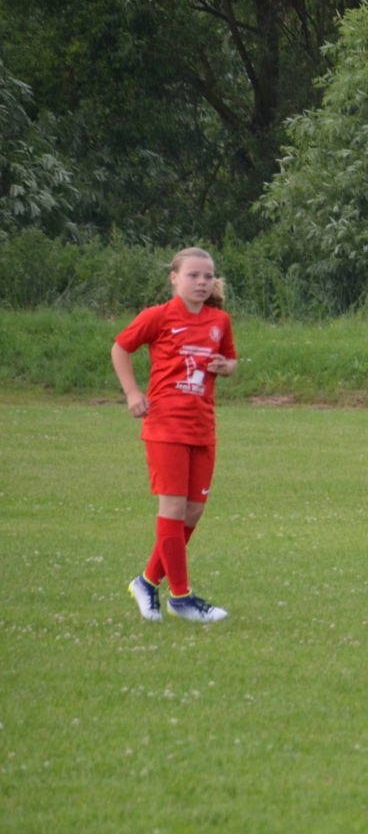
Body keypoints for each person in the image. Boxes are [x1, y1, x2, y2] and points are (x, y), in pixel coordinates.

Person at [112, 247, 236, 624]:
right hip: (166, 426)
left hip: (203, 427)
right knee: (173, 508)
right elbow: (121, 348)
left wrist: (225, 366)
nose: (202, 282)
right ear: (174, 278)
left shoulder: (219, 320)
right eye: (193, 275)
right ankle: (181, 597)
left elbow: (231, 360)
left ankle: (147, 581)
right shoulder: (158, 316)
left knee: (193, 511)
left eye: (208, 276)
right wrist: (133, 393)